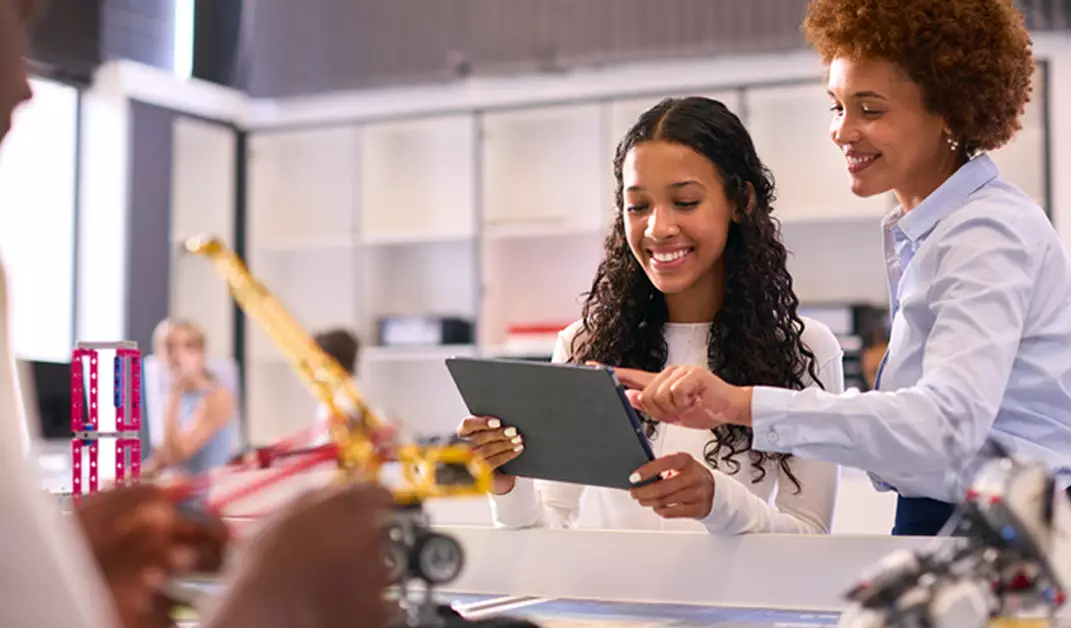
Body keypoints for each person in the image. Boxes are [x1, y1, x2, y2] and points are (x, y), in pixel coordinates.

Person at [609, 0, 1071, 540]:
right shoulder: (930, 229)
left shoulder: (986, 234)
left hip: (1015, 531)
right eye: (837, 106)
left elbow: (945, 427)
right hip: (957, 520)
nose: (842, 132)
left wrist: (740, 404)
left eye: (870, 110)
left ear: (950, 112)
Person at [0, 3, 396, 626]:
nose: (27, 85)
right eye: (17, 25)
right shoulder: (170, 388)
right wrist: (268, 601)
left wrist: (61, 571)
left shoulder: (212, 388)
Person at [458, 96, 843, 535]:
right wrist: (507, 485)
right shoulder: (584, 346)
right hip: (618, 601)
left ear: (740, 201)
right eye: (638, 207)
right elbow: (547, 532)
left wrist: (719, 502)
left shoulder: (803, 349)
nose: (658, 228)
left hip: (741, 604)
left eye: (685, 202)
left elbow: (810, 536)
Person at [143, 318, 237, 481]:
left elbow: (175, 457)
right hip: (178, 491)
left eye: (187, 347)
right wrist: (122, 478)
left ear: (201, 354)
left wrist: (174, 393)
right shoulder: (174, 397)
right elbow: (162, 460)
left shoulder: (217, 398)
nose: (176, 356)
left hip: (206, 498)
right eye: (169, 346)